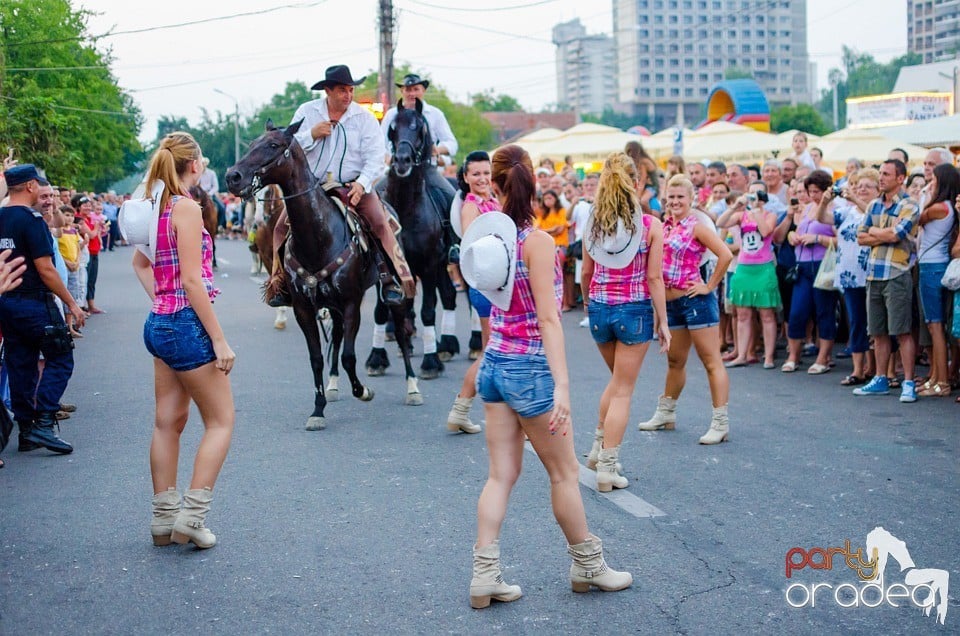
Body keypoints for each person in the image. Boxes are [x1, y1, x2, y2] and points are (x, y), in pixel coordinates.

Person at [463, 145, 631, 609]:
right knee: (564, 473)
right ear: (534, 184)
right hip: (531, 368)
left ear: (493, 185)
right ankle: (589, 565)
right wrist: (562, 384)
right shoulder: (537, 242)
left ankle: (485, 576)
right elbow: (549, 319)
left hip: (495, 362)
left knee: (500, 476)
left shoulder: (489, 241)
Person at [130, 132, 236, 548]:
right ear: (194, 165)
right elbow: (192, 279)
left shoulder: (153, 207)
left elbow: (141, 264)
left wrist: (162, 299)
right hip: (186, 324)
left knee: (167, 422)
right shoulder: (187, 208)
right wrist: (220, 340)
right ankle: (192, 518)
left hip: (158, 323)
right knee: (221, 421)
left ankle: (163, 520)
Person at [267, 65, 414, 307]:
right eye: (342, 90)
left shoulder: (363, 118)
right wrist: (311, 135)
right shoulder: (307, 112)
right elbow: (288, 148)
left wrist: (362, 184)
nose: (348, 95)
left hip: (354, 185)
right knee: (280, 228)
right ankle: (281, 282)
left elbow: (376, 157)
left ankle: (390, 279)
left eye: (350, 90)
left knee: (379, 222)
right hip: (313, 187)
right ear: (328, 91)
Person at [580, 153, 669, 491]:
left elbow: (586, 271)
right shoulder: (650, 226)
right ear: (637, 184)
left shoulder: (593, 221)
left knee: (616, 383)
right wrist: (663, 322)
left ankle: (596, 449)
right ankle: (607, 464)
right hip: (634, 310)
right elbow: (655, 278)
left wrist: (589, 302)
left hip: (601, 309)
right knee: (623, 391)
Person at [638, 174, 733, 444]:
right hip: (671, 304)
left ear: (691, 199)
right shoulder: (664, 227)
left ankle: (720, 422)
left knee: (711, 361)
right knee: (675, 361)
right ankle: (666, 413)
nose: (675, 201)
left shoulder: (697, 226)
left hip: (695, 301)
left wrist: (709, 286)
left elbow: (725, 254)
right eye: (672, 196)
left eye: (681, 197)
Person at [0, 164, 85, 456]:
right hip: (35, 302)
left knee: (20, 364)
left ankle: (26, 431)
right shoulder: (32, 219)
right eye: (37, 184)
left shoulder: (0, 216)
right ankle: (44, 422)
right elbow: (46, 269)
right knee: (61, 358)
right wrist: (72, 303)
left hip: (7, 300)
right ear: (30, 186)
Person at [853, 159, 921, 402]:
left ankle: (909, 382)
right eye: (880, 173)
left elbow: (897, 234)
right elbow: (860, 237)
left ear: (900, 178)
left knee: (902, 331)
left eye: (886, 174)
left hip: (897, 273)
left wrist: (876, 232)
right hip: (873, 274)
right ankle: (880, 378)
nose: (881, 178)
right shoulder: (873, 205)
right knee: (878, 332)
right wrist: (881, 233)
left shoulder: (910, 204)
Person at [446, 151, 497, 434]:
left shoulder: (492, 202)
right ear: (465, 177)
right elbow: (472, 246)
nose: (482, 178)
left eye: (486, 173)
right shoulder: (470, 206)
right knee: (492, 350)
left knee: (493, 349)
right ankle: (461, 409)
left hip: (497, 284)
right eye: (476, 174)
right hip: (485, 283)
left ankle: (461, 411)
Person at [817, 169, 877, 386]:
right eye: (858, 186)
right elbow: (822, 218)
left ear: (878, 190)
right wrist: (824, 202)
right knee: (857, 321)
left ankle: (880, 370)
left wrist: (855, 200)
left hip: (872, 273)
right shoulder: (848, 212)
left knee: (877, 324)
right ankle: (858, 369)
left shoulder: (876, 209)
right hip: (850, 274)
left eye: (867, 186)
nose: (861, 189)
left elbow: (875, 219)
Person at [380, 72, 459, 238]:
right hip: (397, 170)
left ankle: (453, 245)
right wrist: (386, 156)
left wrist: (438, 150)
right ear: (402, 92)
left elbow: (452, 144)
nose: (412, 93)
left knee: (452, 198)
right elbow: (380, 144)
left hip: (426, 170)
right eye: (408, 89)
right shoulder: (392, 115)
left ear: (423, 91)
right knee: (372, 194)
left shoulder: (435, 114)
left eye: (416, 89)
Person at [717, 182, 782, 368]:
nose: (753, 196)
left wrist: (756, 211)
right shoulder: (741, 215)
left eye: (757, 193)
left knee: (766, 314)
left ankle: (768, 356)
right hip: (744, 267)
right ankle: (742, 354)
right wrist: (734, 207)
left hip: (763, 267)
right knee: (743, 313)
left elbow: (765, 231)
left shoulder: (770, 215)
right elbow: (720, 223)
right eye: (750, 192)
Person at [780, 170, 838, 374]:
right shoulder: (805, 209)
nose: (813, 195)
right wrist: (793, 236)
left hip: (823, 265)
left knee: (824, 312)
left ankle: (823, 357)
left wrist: (819, 239)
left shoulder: (834, 209)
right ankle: (793, 356)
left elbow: (842, 241)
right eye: (810, 191)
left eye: (817, 191)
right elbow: (793, 231)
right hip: (802, 265)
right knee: (797, 312)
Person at [915, 164, 959, 397]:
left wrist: (927, 195)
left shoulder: (939, 207)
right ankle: (936, 377)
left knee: (935, 326)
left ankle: (941, 382)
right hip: (936, 265)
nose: (931, 182)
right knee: (935, 326)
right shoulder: (950, 207)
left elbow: (917, 218)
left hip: (931, 267)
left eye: (934, 179)